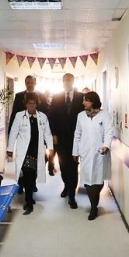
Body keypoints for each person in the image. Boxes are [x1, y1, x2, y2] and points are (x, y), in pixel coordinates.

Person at [6, 93, 55, 215]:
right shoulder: (19, 116)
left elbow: (47, 133)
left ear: (37, 104)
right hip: (25, 150)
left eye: (33, 103)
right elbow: (13, 132)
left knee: (32, 175)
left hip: (37, 150)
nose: (31, 106)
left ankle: (29, 195)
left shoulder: (42, 117)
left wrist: (50, 148)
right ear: (26, 104)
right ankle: (28, 202)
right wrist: (10, 148)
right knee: (27, 174)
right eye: (29, 103)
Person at [72, 91, 115, 220]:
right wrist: (75, 152)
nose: (83, 103)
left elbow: (109, 131)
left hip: (100, 152)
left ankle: (94, 200)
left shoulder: (104, 115)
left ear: (93, 101)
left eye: (86, 100)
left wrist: (106, 145)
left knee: (98, 179)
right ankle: (93, 207)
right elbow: (77, 134)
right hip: (85, 151)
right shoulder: (81, 116)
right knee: (87, 180)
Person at [48, 73, 84, 208]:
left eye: (69, 80)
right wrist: (53, 134)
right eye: (65, 80)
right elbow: (52, 116)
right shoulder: (56, 97)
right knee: (63, 165)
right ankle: (66, 186)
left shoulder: (81, 97)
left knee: (73, 166)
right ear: (62, 82)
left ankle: (72, 196)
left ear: (73, 81)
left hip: (76, 138)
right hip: (61, 138)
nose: (67, 82)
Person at [8, 75, 50, 172]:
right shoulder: (19, 96)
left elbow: (46, 112)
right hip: (23, 134)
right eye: (28, 82)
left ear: (35, 83)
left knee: (37, 159)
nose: (30, 85)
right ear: (25, 83)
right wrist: (10, 136)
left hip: (37, 133)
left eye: (32, 83)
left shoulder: (41, 96)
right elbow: (14, 115)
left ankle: (34, 177)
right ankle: (25, 176)